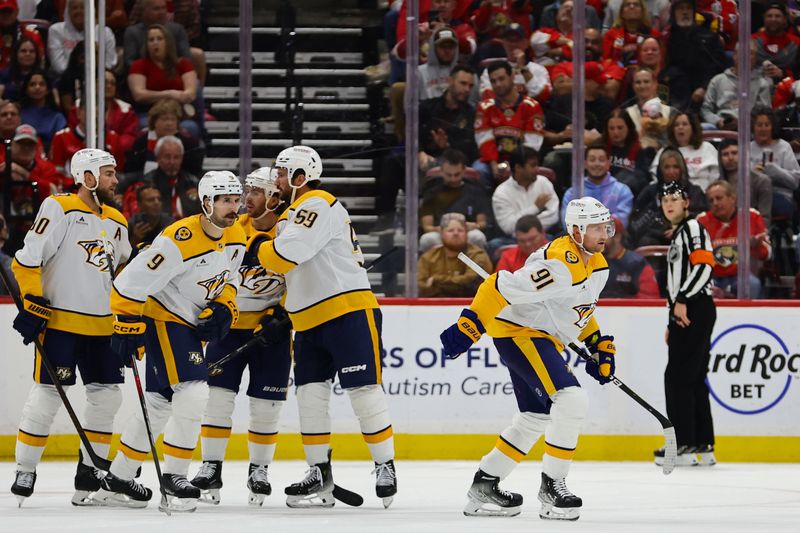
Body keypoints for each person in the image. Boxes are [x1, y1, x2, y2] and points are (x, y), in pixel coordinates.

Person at [440, 197, 617, 520]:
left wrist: (596, 342)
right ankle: (553, 486)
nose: (603, 233)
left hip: (539, 335)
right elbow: (499, 285)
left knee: (535, 415)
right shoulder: (561, 265)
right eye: (595, 227)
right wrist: (470, 323)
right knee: (571, 399)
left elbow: (578, 309)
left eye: (605, 226)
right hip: (520, 331)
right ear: (576, 231)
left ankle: (486, 484)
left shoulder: (597, 264)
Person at [249, 145, 398, 508]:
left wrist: (263, 249)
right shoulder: (295, 211)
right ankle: (319, 471)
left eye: (283, 173)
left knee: (364, 392)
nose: (277, 180)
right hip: (308, 320)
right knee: (310, 397)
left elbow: (284, 257)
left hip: (347, 312)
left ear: (301, 177)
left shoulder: (317, 203)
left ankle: (385, 465)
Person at [97, 171, 245, 512]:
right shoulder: (178, 239)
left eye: (236, 199)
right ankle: (175, 476)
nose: (233, 207)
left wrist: (226, 307)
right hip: (166, 318)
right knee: (194, 391)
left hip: (192, 324)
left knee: (160, 402)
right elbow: (127, 284)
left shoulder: (235, 233)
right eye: (225, 200)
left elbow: (231, 279)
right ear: (206, 202)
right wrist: (126, 325)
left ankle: (117, 478)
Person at [9, 148, 131, 506]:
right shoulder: (58, 207)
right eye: (108, 173)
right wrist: (32, 301)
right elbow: (26, 260)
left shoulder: (118, 221)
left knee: (107, 398)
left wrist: (130, 315)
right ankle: (26, 467)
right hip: (61, 322)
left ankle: (89, 471)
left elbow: (124, 273)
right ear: (88, 177)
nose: (115, 180)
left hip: (104, 328)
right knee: (48, 395)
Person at [191, 167, 292, 506]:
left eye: (256, 191)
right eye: (246, 190)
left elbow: (305, 280)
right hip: (229, 328)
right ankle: (210, 467)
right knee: (218, 399)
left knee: (266, 406)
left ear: (275, 198)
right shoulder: (233, 229)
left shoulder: (291, 233)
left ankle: (259, 470)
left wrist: (281, 314)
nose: (247, 198)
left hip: (271, 334)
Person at [657, 181, 717, 467]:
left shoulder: (693, 228)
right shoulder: (681, 232)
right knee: (691, 377)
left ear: (686, 203)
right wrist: (672, 316)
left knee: (677, 377)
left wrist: (681, 299)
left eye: (674, 199)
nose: (669, 204)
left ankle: (681, 444)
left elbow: (705, 265)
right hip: (688, 309)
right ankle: (702, 445)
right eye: (664, 199)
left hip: (694, 306)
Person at [475, 61, 546, 186]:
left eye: (501, 79)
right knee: (479, 170)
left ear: (512, 76)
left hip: (523, 161)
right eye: (493, 81)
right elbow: (484, 139)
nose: (498, 84)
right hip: (492, 161)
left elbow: (533, 143)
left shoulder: (531, 106)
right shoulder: (485, 107)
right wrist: (493, 164)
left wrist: (513, 164)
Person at [697, 180, 771, 298]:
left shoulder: (751, 216)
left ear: (732, 198)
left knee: (752, 284)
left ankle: (749, 316)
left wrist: (755, 245)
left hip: (741, 276)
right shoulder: (702, 220)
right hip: (712, 276)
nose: (715, 203)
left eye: (719, 198)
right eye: (711, 200)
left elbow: (767, 254)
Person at [629, 146, 707, 248]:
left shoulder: (694, 191)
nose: (671, 172)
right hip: (654, 239)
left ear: (682, 169)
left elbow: (704, 218)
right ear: (660, 170)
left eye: (675, 167)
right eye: (667, 167)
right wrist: (659, 231)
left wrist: (681, 227)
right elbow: (636, 221)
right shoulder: (650, 191)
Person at [419, 148, 492, 252]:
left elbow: (483, 222)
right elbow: (427, 226)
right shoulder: (431, 192)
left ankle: (475, 268)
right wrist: (445, 231)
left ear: (464, 170)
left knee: (478, 237)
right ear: (441, 171)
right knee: (427, 239)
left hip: (468, 234)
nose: (453, 179)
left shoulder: (476, 191)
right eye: (449, 175)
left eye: (457, 174)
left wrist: (475, 226)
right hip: (440, 234)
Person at [490, 146, 558, 253]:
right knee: (495, 245)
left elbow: (553, 215)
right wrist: (535, 208)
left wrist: (533, 233)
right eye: (533, 165)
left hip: (543, 236)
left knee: (556, 240)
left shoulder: (544, 182)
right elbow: (508, 227)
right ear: (518, 168)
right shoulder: (501, 193)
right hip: (514, 239)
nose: (537, 169)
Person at [701, 41, 772, 131]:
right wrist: (718, 121)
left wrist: (744, 122)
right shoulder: (717, 80)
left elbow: (765, 114)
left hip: (750, 131)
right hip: (721, 127)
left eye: (750, 53)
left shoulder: (762, 84)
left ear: (756, 58)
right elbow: (705, 110)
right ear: (734, 55)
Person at [417, 212, 492, 297]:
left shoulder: (477, 254)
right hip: (434, 307)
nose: (456, 233)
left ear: (467, 233)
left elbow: (471, 283)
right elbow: (421, 287)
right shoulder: (428, 257)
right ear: (441, 233)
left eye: (460, 230)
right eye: (450, 230)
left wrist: (436, 280)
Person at [561, 144, 634, 226]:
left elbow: (621, 221)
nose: (596, 164)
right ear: (585, 164)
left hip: (611, 237)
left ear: (608, 164)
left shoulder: (622, 191)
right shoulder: (572, 193)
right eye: (592, 160)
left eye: (601, 160)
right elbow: (567, 223)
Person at [650, 112, 719, 192]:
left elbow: (715, 175)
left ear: (693, 128)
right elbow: (656, 177)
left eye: (684, 124)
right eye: (676, 125)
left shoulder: (707, 148)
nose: (680, 127)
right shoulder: (665, 151)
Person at [46, 0, 116, 77]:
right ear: (67, 11)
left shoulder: (105, 32)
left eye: (83, 8)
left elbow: (110, 62)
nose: (78, 11)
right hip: (65, 79)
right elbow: (58, 66)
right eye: (74, 8)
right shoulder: (56, 30)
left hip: (99, 78)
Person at [600, 216, 660, 298]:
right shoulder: (590, 262)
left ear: (617, 237)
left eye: (604, 235)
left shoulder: (637, 263)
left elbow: (650, 299)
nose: (599, 239)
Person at [717, 138, 773, 225]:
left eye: (734, 153)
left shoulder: (761, 181)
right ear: (720, 159)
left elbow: (764, 218)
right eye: (725, 154)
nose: (730, 158)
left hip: (752, 230)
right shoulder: (716, 186)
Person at [604, 107, 655, 197]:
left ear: (628, 127)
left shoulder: (640, 150)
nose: (615, 132)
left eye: (620, 128)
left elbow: (643, 179)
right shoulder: (600, 149)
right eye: (611, 128)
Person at [19, 68, 66, 151]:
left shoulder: (57, 117)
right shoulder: (18, 114)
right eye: (32, 84)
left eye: (42, 84)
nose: (37, 87)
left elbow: (61, 143)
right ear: (26, 89)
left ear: (48, 90)